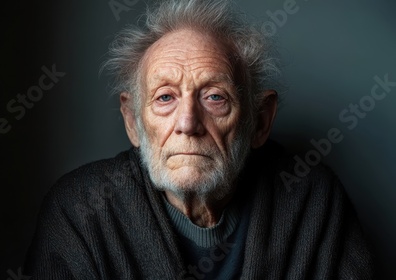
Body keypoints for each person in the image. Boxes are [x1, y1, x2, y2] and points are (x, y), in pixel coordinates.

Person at [25, 0, 375, 279]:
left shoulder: (313, 200)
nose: (188, 123)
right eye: (165, 98)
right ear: (133, 122)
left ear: (260, 122)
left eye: (214, 97)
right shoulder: (78, 213)